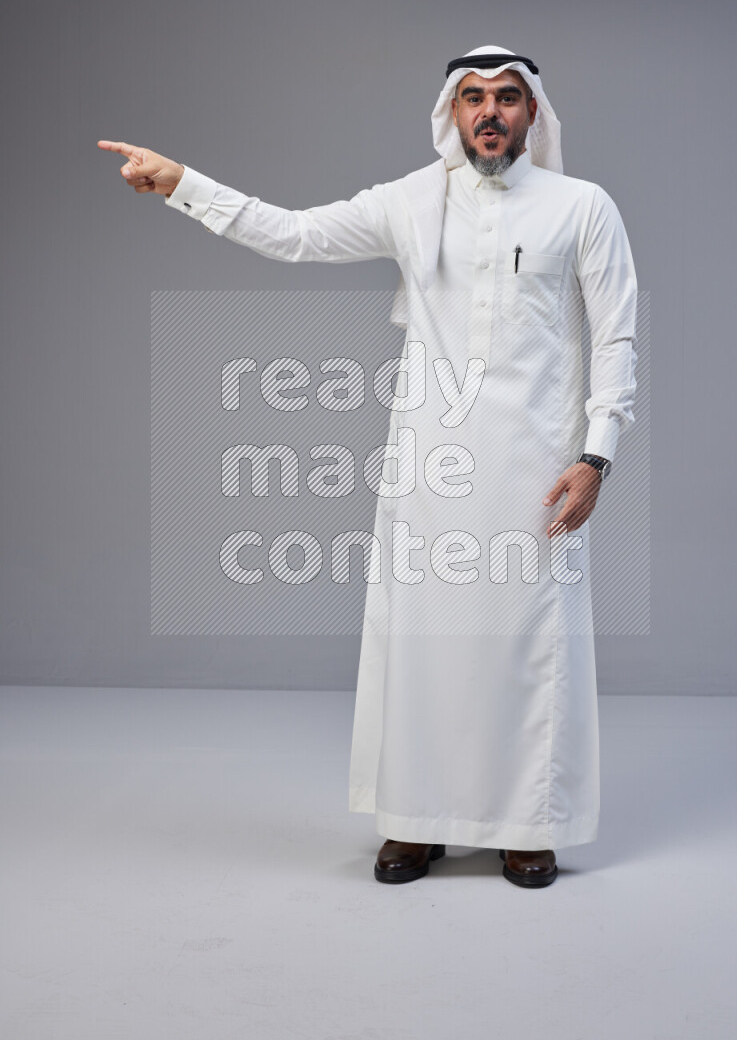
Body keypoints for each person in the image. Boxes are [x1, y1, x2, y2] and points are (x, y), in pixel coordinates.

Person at [98, 44, 638, 889]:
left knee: (528, 644)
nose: (489, 111)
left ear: (533, 113)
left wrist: (596, 455)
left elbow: (615, 337)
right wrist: (182, 184)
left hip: (540, 468)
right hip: (431, 464)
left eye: (505, 97)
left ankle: (528, 823)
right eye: (472, 98)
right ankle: (414, 823)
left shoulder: (583, 207)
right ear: (451, 114)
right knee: (422, 647)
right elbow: (296, 234)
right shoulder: (408, 203)